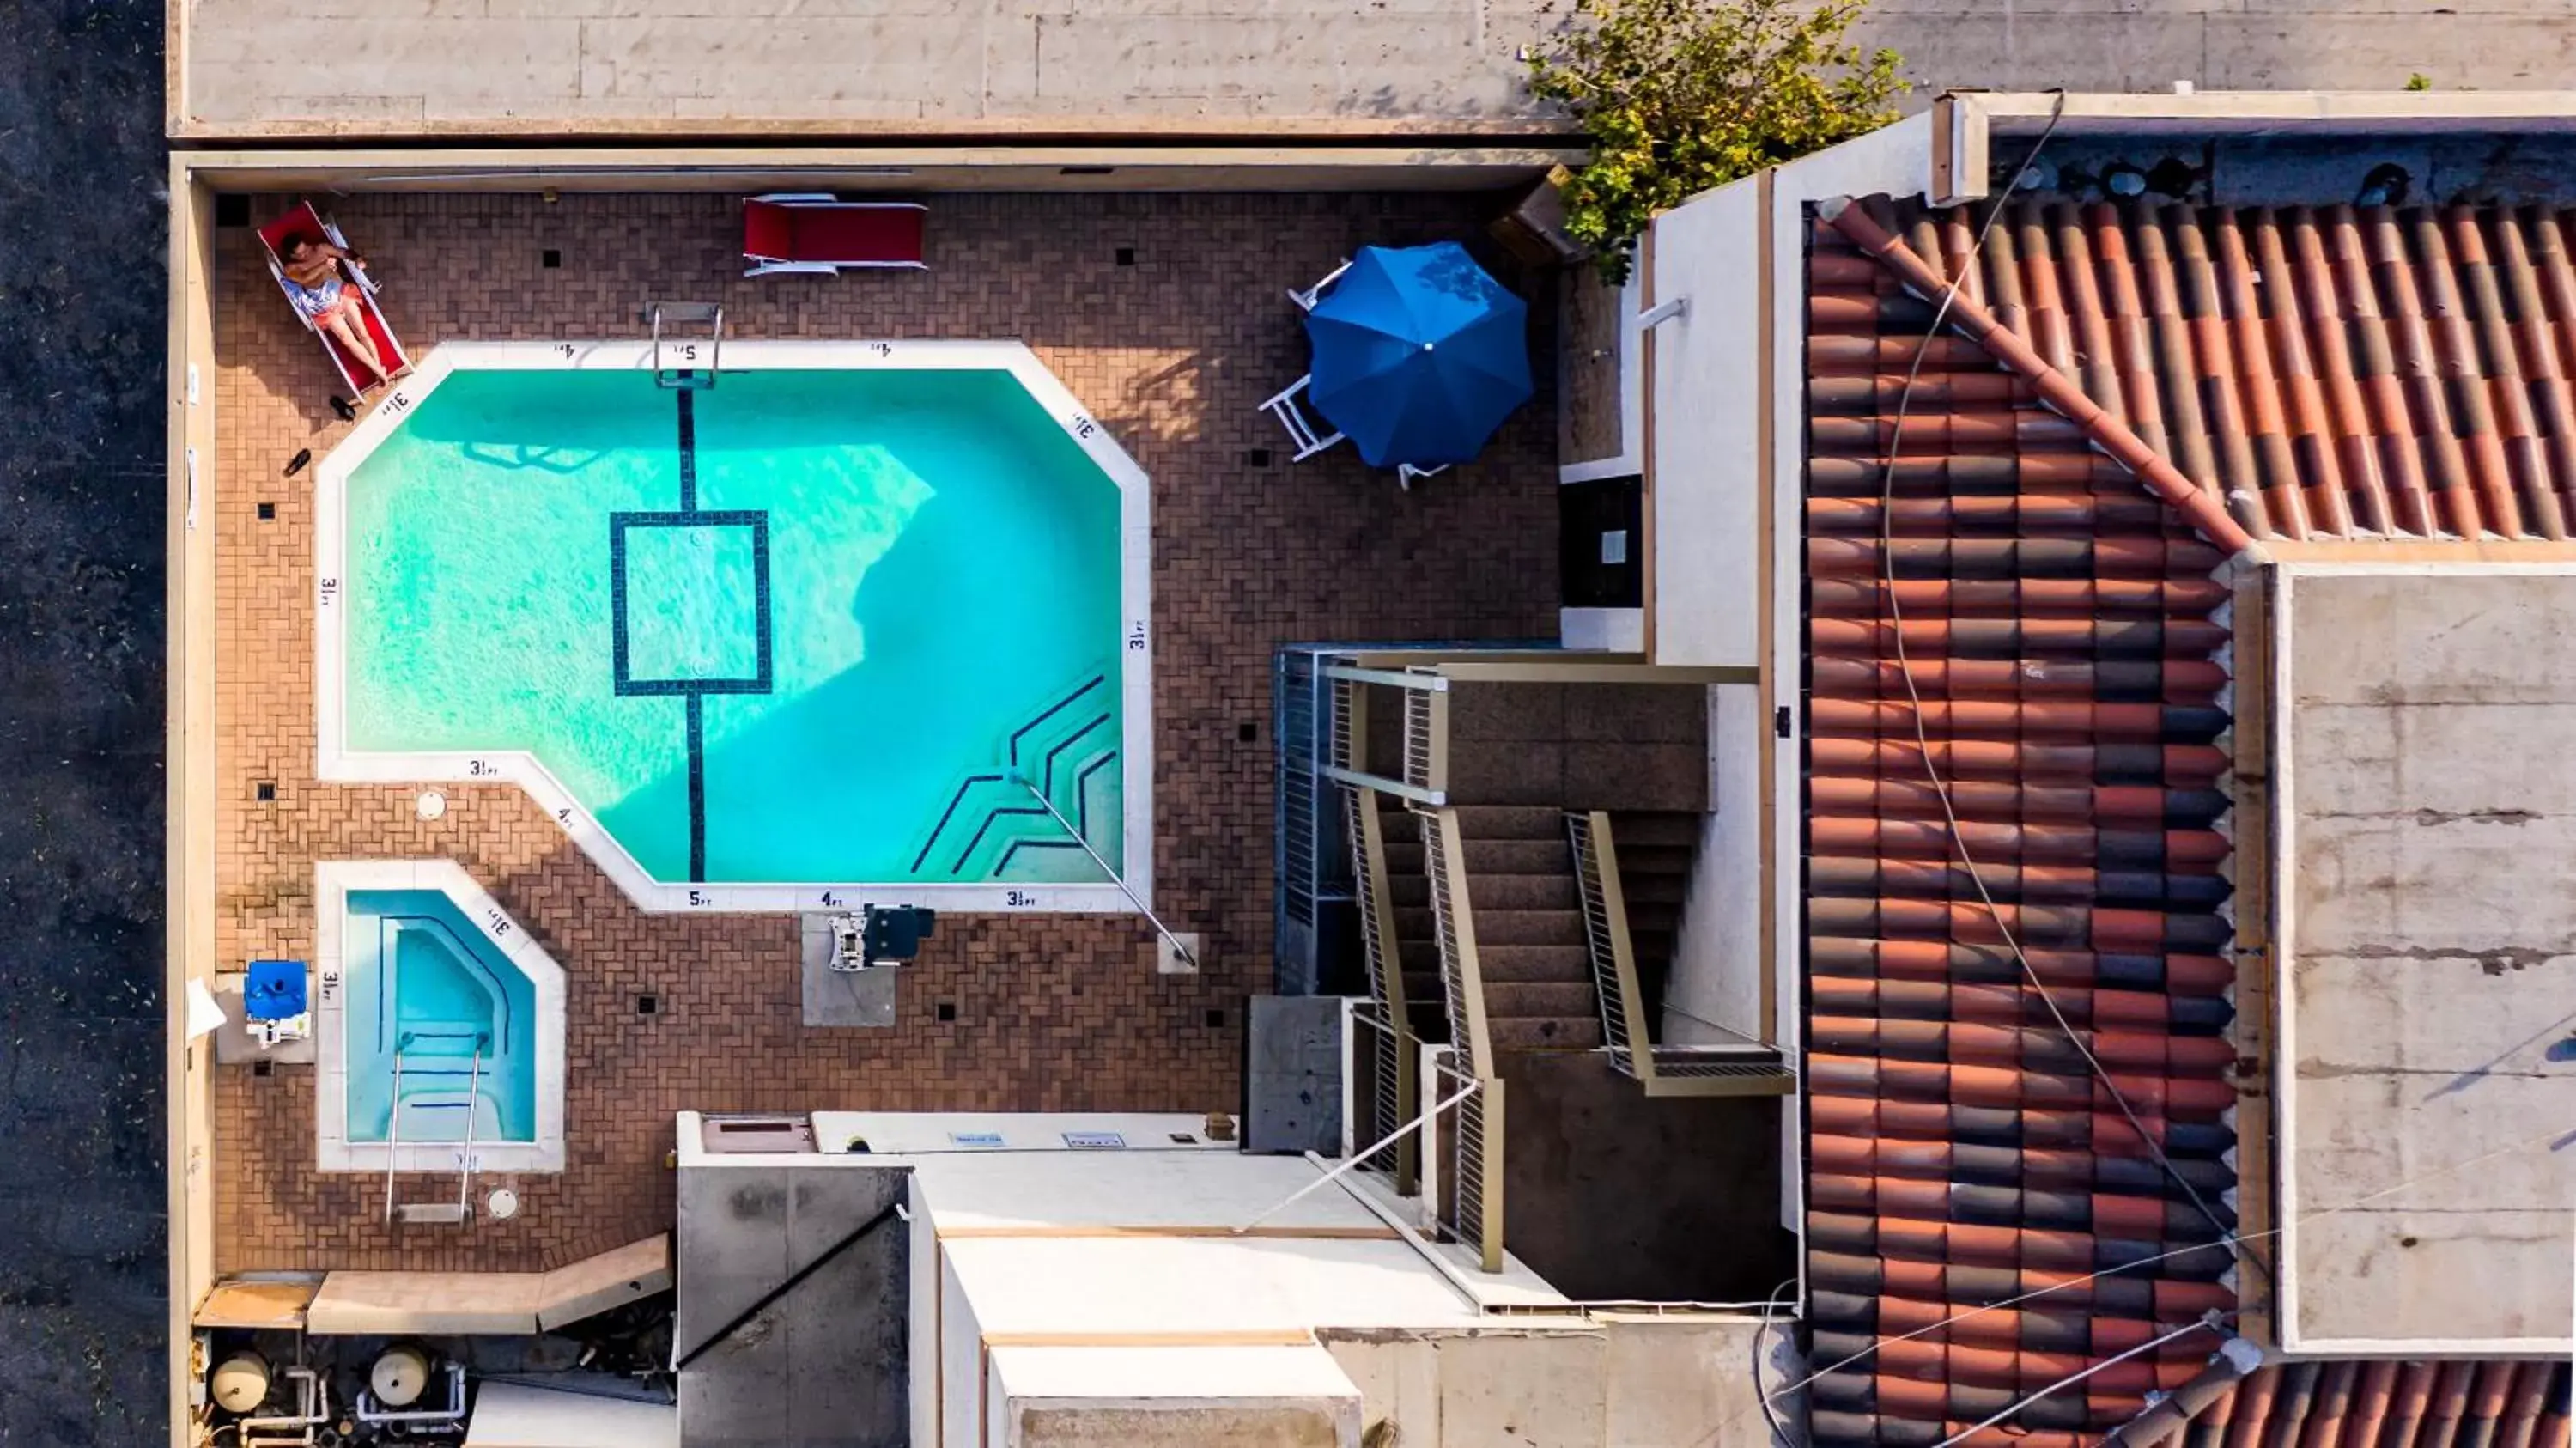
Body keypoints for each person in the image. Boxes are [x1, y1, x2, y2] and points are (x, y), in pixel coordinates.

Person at [279, 234, 393, 386]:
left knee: (362, 332)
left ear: (307, 244)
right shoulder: (291, 268)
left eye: (305, 250)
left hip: (340, 292)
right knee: (348, 340)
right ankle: (380, 372)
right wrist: (323, 266)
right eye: (300, 254)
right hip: (323, 305)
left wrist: (358, 259)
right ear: (292, 256)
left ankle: (379, 370)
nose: (305, 254)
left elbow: (345, 252)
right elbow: (305, 278)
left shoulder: (321, 249)